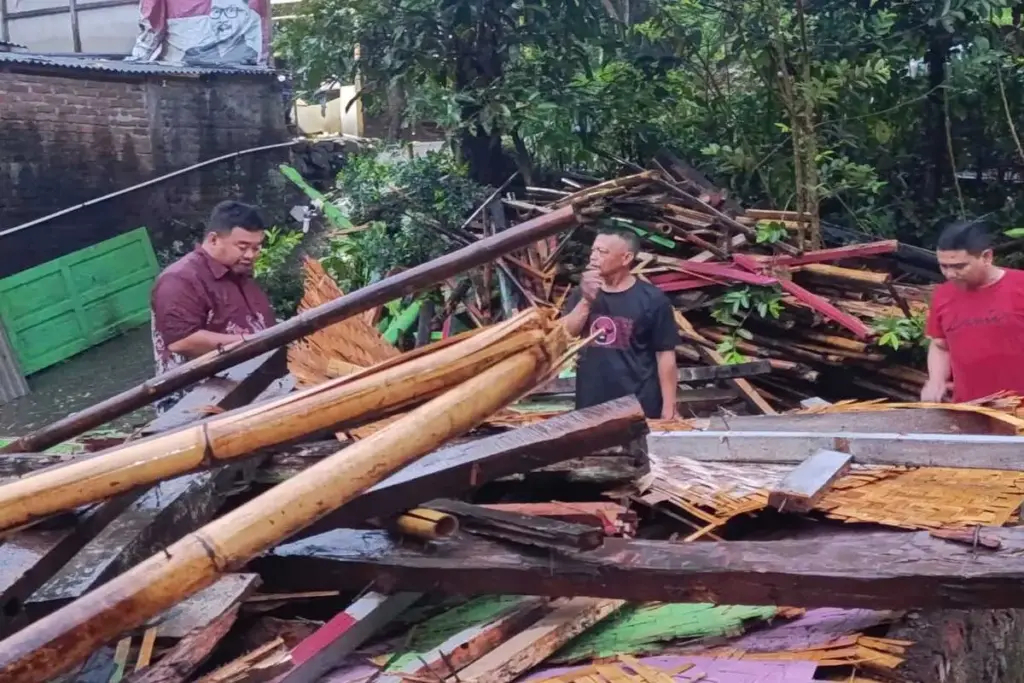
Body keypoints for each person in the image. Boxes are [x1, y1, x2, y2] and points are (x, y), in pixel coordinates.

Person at [150, 200, 277, 412]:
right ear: (214, 239)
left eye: (257, 247)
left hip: (251, 383)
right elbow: (183, 342)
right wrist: (254, 342)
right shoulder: (179, 279)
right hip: (196, 400)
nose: (250, 255)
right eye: (243, 247)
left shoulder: (239, 272)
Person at [562, 228, 680, 419]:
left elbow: (665, 355)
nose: (593, 258)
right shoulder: (581, 294)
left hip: (639, 405)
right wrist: (586, 300)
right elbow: (566, 335)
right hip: (590, 405)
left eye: (602, 252)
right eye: (593, 251)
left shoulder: (653, 299)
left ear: (626, 258)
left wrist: (669, 408)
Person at [921, 219, 1024, 403]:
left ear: (986, 257)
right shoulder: (942, 295)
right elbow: (940, 345)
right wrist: (936, 380)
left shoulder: (1020, 285)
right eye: (944, 266)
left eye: (960, 266)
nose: (950, 274)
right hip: (971, 410)